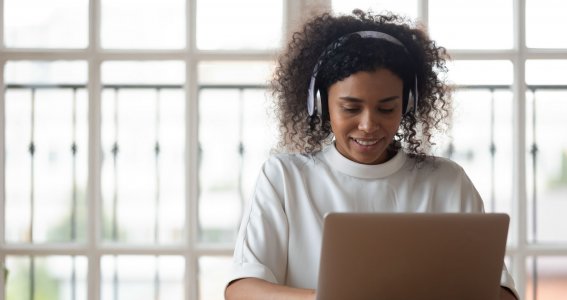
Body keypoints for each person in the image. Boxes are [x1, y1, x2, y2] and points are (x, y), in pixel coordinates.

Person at [224, 9, 519, 300]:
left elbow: (502, 293)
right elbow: (242, 290)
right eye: (351, 108)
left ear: (408, 104)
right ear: (321, 103)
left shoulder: (447, 181)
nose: (368, 125)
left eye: (387, 108)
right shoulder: (284, 177)